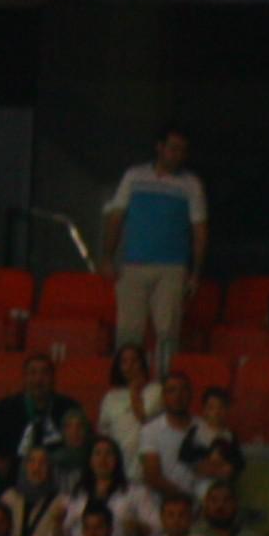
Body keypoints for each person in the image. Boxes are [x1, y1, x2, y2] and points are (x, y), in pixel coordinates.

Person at [98, 131, 208, 367]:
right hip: (133, 265)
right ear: (160, 147)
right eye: (173, 148)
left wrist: (195, 272)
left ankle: (165, 384)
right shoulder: (134, 176)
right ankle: (126, 386)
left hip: (172, 267)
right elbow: (116, 216)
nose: (178, 155)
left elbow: (199, 231)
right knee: (128, 332)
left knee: (167, 332)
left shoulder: (190, 184)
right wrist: (107, 257)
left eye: (182, 150)